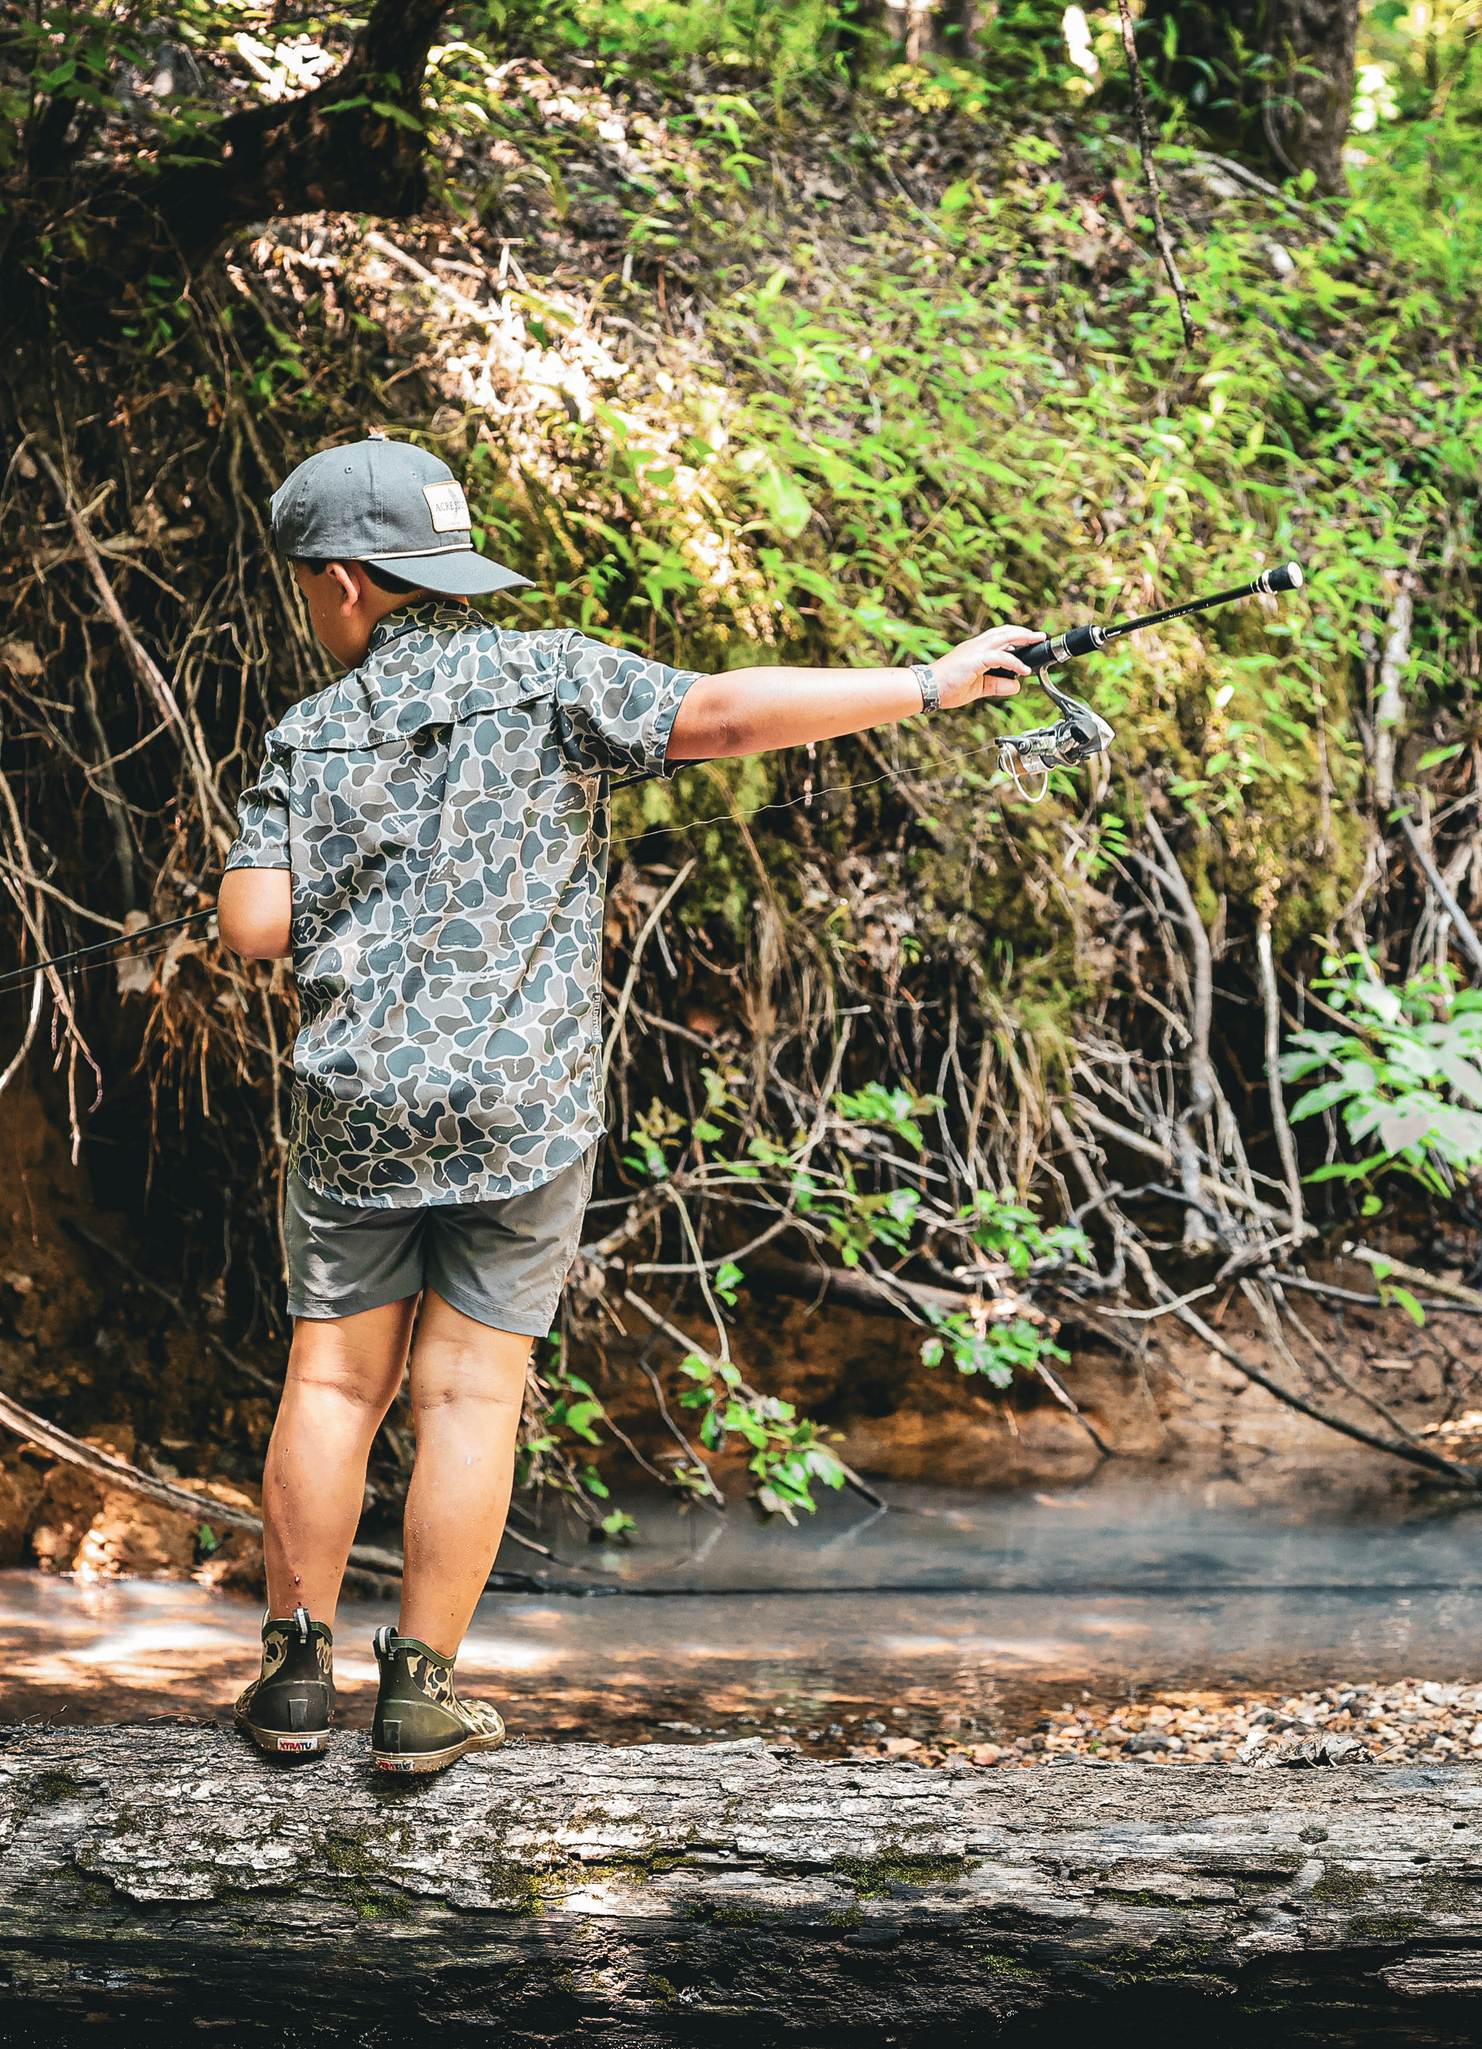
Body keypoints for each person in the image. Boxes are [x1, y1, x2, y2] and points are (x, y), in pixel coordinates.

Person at [216, 432, 1041, 1771]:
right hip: (521, 1110)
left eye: (312, 585)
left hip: (359, 1107)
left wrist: (360, 877)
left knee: (331, 1377)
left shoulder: (312, 734)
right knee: (473, 1397)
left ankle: (296, 1677)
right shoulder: (553, 676)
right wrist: (928, 685)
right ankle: (419, 1694)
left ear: (349, 580)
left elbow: (252, 923)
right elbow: (718, 716)